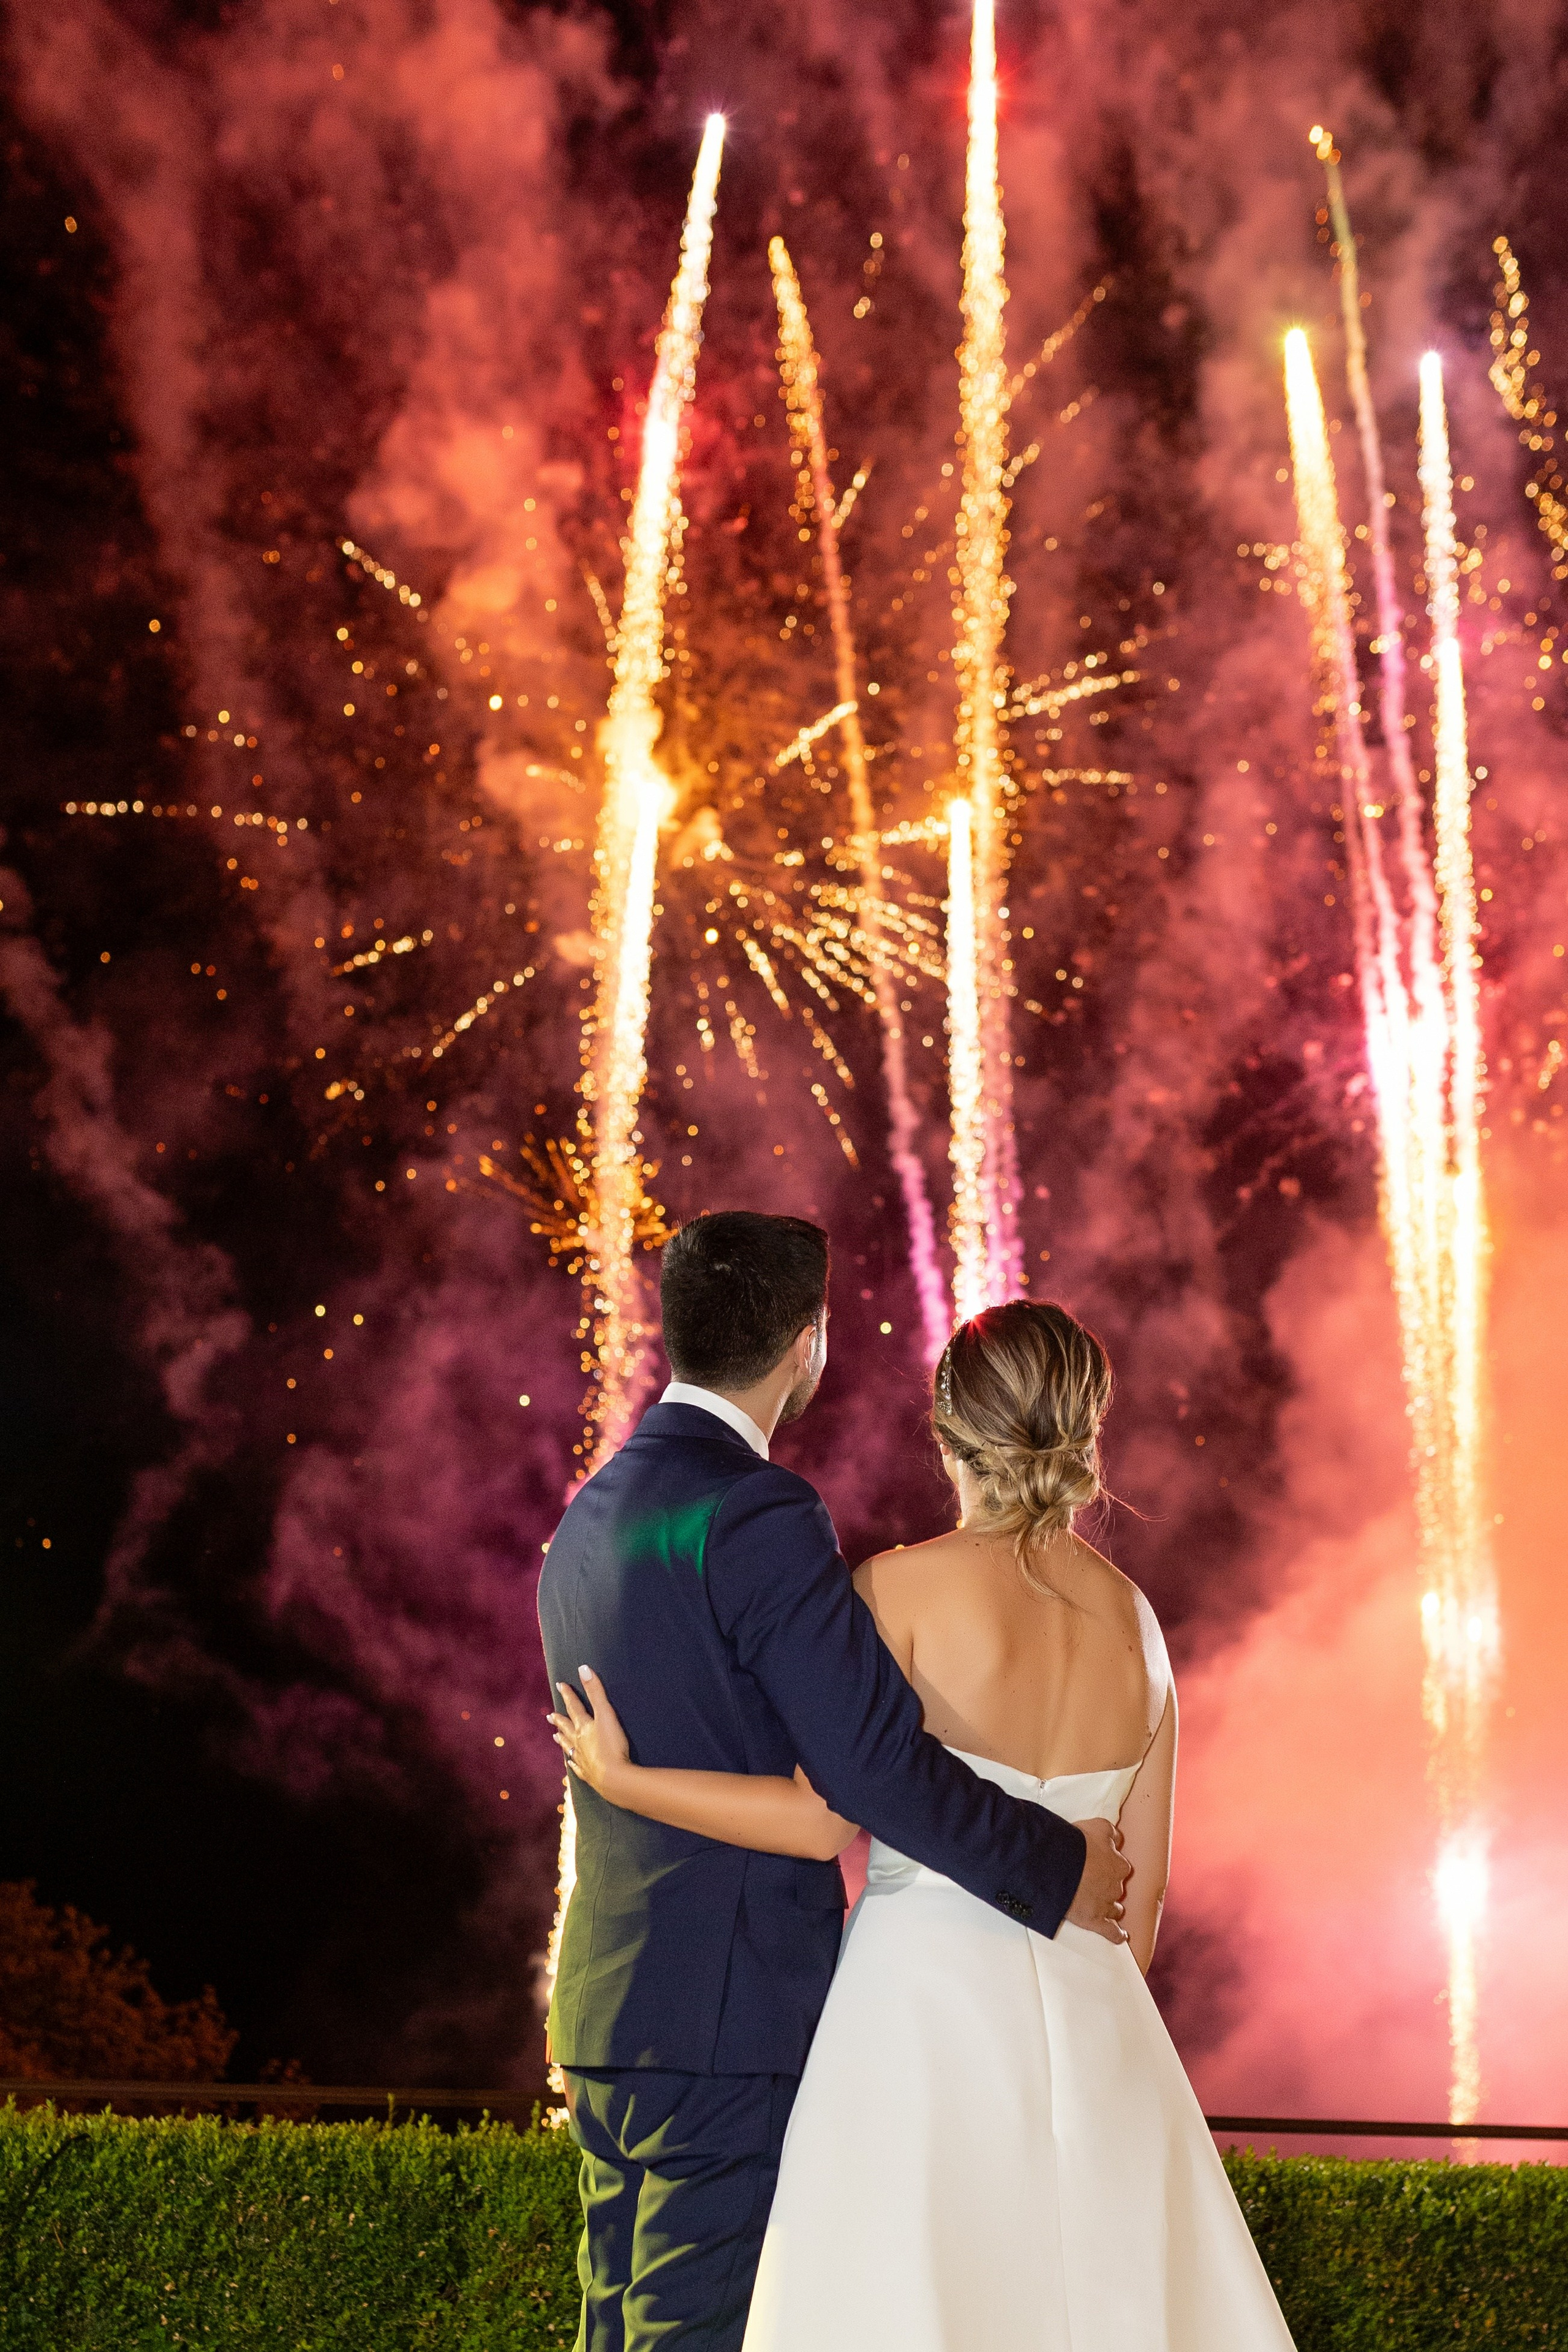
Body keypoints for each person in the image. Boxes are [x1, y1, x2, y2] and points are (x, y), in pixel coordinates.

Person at [552, 1295, 1298, 2352]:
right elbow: (1142, 1901)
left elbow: (820, 1823)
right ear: (1085, 1431)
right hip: (1106, 2040)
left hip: (915, 2032)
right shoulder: (1140, 1628)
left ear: (948, 1433)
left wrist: (630, 1782)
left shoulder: (892, 1592)